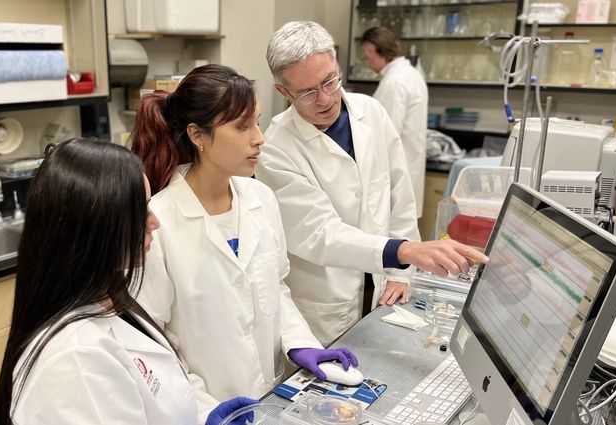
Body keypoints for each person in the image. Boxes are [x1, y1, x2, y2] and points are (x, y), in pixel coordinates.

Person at [130, 64, 359, 419]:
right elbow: (152, 341)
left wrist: (300, 343)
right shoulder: (157, 223)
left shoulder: (261, 198)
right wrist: (204, 409)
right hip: (208, 410)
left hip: (271, 399)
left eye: (258, 121)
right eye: (242, 126)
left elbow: (275, 288)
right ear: (198, 135)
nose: (260, 137)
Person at [0, 139, 258, 425]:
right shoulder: (76, 360)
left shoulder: (115, 304)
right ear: (97, 226)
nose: (155, 221)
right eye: (142, 210)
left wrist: (203, 417)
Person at [256, 21, 488, 344]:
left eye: (330, 81)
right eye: (308, 92)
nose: (325, 99)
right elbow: (322, 234)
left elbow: (399, 196)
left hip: (384, 291)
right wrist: (405, 252)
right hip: (325, 310)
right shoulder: (276, 149)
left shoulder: (371, 112)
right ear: (283, 92)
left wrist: (401, 272)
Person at [361, 26, 428, 219]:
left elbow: (384, 134)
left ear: (374, 49)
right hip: (408, 166)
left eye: (367, 55)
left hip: (396, 172)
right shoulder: (411, 75)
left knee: (395, 236)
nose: (367, 61)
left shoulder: (395, 81)